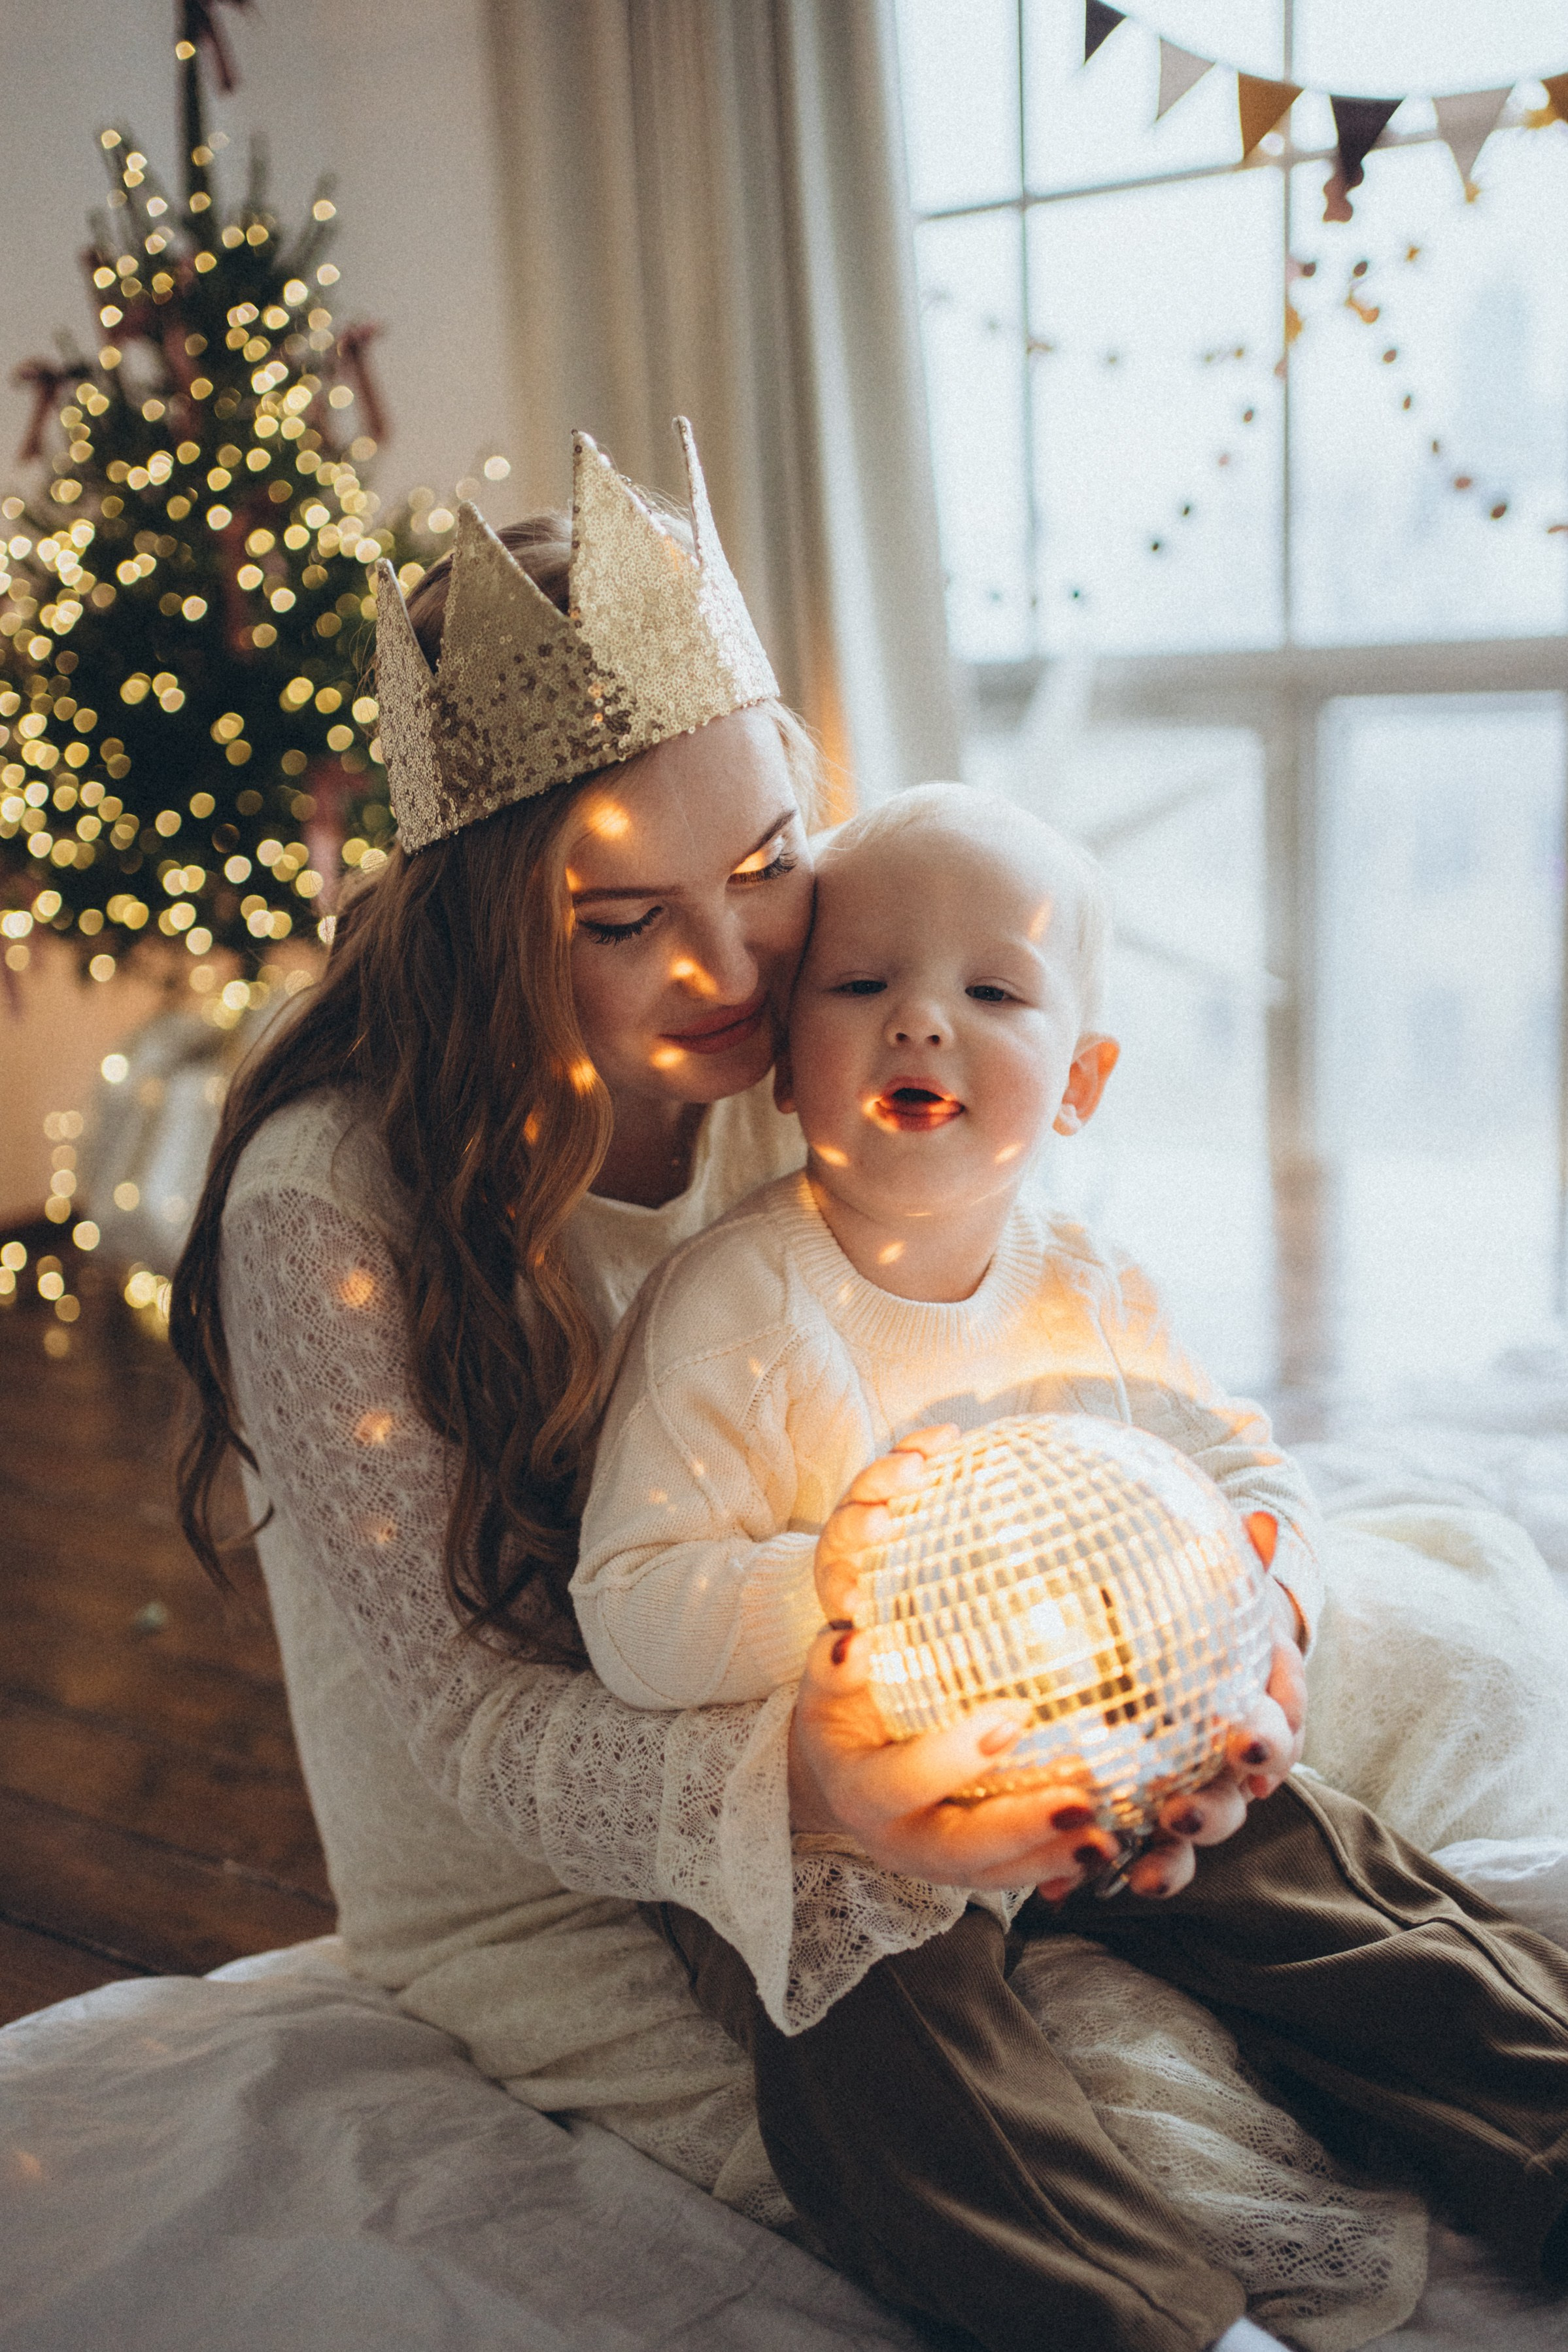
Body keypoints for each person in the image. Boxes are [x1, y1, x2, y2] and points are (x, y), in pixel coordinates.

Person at [166, 424, 1322, 2345]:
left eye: (768, 864)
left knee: (1278, 1812)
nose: (725, 967)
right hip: (553, 1852)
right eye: (616, 924)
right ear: (483, 930)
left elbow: (1031, 1337)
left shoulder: (804, 1030)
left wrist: (1214, 1584)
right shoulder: (329, 1210)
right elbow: (469, 1730)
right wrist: (817, 1786)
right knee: (955, 2101)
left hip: (851, 1666)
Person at [571, 784, 1568, 2352]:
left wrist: (1266, 1601)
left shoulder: (1088, 1286)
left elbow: (1242, 1464)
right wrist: (840, 1573)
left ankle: (1541, 2123)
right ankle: (1134, 2317)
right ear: (783, 1053)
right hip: (841, 1804)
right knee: (873, 2053)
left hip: (1104, 1732)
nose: (919, 1025)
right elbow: (625, 1613)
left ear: (1081, 1077)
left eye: (989, 990)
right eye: (859, 985)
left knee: (1320, 1872)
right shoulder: (737, 1310)